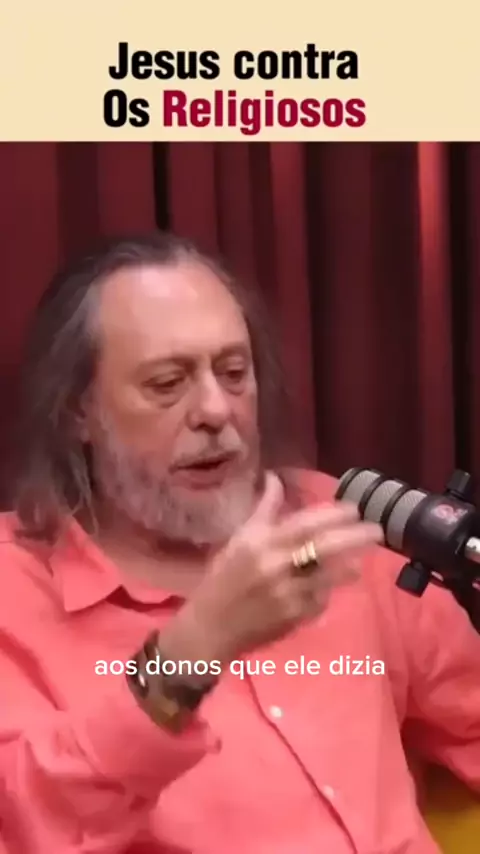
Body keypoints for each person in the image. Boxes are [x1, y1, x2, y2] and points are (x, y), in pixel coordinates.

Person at [0, 232, 478, 854]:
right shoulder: (13, 587)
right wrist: (190, 655)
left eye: (233, 373)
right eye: (167, 383)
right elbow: (25, 821)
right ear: (76, 410)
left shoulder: (331, 519)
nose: (216, 410)